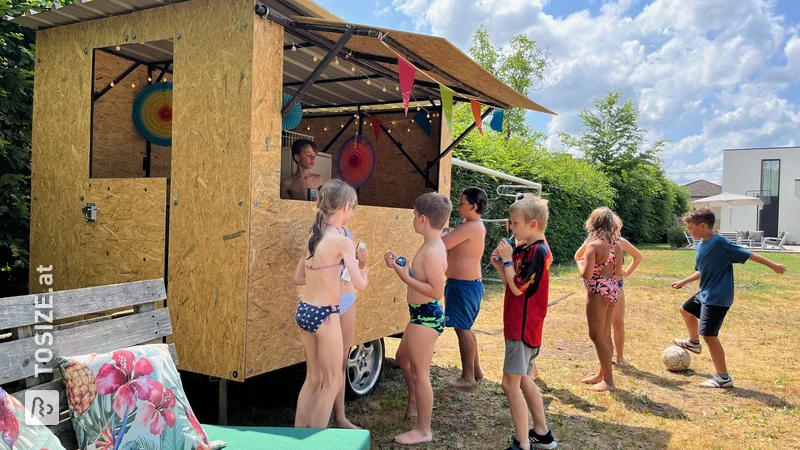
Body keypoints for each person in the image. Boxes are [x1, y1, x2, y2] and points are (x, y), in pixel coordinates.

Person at [671, 207, 786, 388]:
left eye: (691, 227)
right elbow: (702, 271)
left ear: (703, 226)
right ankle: (693, 343)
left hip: (717, 297)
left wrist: (774, 266)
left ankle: (723, 378)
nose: (689, 231)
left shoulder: (720, 243)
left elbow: (749, 254)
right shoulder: (702, 244)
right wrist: (684, 282)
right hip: (705, 293)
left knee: (709, 335)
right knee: (685, 309)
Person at [293, 180, 368, 428]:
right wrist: (363, 270)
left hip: (305, 310)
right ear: (346, 207)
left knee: (313, 379)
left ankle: (297, 441)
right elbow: (360, 284)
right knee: (332, 382)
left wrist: (327, 273)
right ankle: (315, 443)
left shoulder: (313, 237)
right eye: (353, 208)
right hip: (326, 315)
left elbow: (299, 278)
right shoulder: (342, 241)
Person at [384, 192, 451, 445]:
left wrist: (404, 276)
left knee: (421, 374)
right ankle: (413, 401)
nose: (412, 219)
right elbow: (422, 277)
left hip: (427, 317)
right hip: (419, 315)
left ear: (423, 219)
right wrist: (401, 266)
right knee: (402, 358)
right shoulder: (430, 244)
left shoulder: (433, 251)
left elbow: (436, 290)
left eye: (414, 215)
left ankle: (424, 430)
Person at [491, 196, 557, 450]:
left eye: (515, 223)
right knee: (525, 379)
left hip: (522, 327)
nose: (512, 228)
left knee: (510, 384)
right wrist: (500, 263)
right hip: (521, 325)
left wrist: (508, 260)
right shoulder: (526, 247)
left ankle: (522, 444)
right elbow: (511, 282)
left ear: (532, 224)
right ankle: (541, 433)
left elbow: (518, 289)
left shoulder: (538, 251)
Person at [575, 218, 643, 366]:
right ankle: (606, 359)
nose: (616, 231)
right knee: (603, 329)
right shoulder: (593, 242)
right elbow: (578, 256)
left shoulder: (619, 242)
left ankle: (619, 356)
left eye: (619, 228)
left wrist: (627, 273)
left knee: (617, 323)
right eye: (616, 228)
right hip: (602, 288)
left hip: (615, 286)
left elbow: (638, 256)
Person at [442, 187, 488, 389]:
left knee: (463, 330)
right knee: (466, 328)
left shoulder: (470, 227)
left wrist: (442, 232)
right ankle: (475, 370)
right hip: (467, 285)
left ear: (473, 206)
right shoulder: (472, 225)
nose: (458, 206)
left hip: (463, 286)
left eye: (461, 203)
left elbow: (441, 243)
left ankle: (467, 376)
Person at [575, 207, 623, 392]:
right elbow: (617, 272)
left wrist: (579, 263)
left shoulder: (593, 246)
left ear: (592, 223)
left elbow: (586, 275)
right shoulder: (615, 245)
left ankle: (608, 381)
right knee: (605, 335)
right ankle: (602, 374)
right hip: (612, 290)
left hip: (597, 292)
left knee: (596, 335)